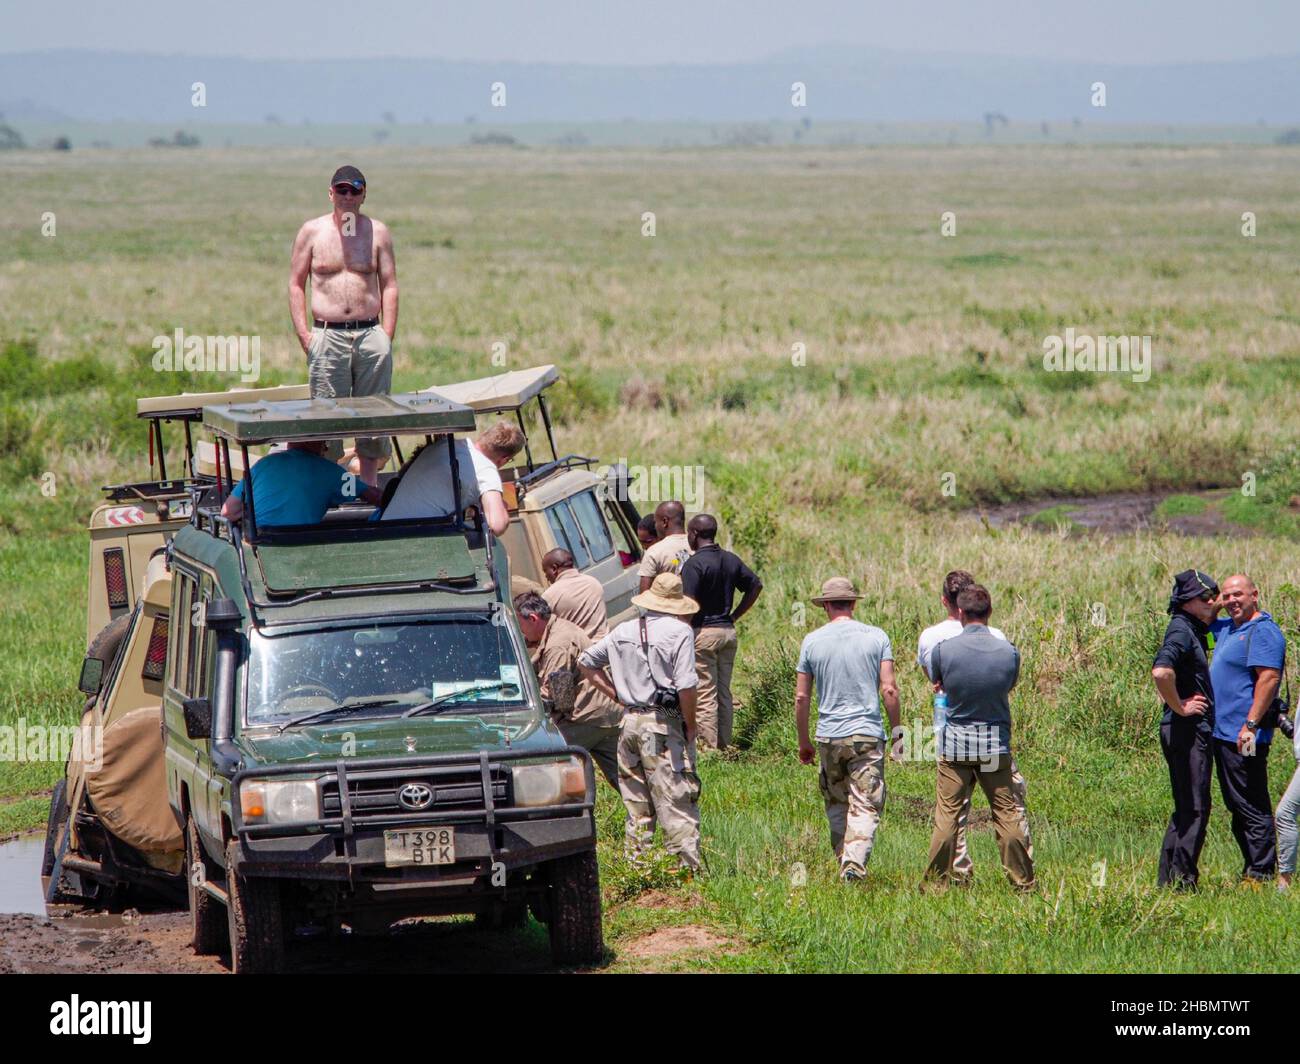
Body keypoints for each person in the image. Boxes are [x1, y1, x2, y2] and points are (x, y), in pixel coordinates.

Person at [578, 573, 702, 872]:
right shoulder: (680, 632)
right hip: (662, 719)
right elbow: (686, 685)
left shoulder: (623, 629)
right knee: (674, 795)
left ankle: (638, 867)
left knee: (636, 802)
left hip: (629, 721)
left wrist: (618, 696)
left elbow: (586, 661)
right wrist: (690, 724)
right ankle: (687, 869)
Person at [289, 165, 398, 485]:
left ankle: (369, 486)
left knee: (374, 412)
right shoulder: (311, 231)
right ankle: (329, 488)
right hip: (327, 333)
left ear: (364, 195)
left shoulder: (378, 232)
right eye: (342, 190)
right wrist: (305, 336)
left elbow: (389, 284)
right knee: (326, 415)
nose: (348, 196)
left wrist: (386, 336)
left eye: (355, 190)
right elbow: (296, 284)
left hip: (370, 333)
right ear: (330, 193)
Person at [916, 570, 1029, 878]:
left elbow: (938, 681)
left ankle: (938, 882)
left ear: (960, 613)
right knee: (1007, 815)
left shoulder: (942, 650)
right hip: (994, 743)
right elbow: (1008, 685)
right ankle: (1022, 882)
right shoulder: (1009, 652)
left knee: (947, 817)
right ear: (989, 611)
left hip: (955, 744)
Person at [795, 577, 900, 882]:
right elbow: (889, 689)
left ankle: (845, 858)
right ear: (853, 604)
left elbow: (802, 696)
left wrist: (804, 741)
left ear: (825, 606)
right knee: (866, 801)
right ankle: (853, 863)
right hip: (867, 733)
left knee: (837, 801)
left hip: (829, 735)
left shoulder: (812, 641)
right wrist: (898, 735)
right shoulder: (877, 637)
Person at [1209, 574, 1283, 882]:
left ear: (1255, 595)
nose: (1232, 601)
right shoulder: (1228, 628)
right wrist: (1216, 604)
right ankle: (1251, 868)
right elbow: (1203, 627)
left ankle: (1262, 872)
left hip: (1246, 734)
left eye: (1238, 595)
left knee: (1251, 802)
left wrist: (1250, 725)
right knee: (1236, 803)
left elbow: (1269, 679)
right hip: (1223, 732)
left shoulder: (1262, 632)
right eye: (1226, 596)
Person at [1151, 569, 1218, 889]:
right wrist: (1181, 706)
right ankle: (1183, 881)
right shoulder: (1180, 631)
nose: (1213, 602)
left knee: (1185, 806)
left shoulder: (1190, 625)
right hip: (1187, 730)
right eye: (1206, 598)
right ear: (1187, 602)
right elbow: (1161, 672)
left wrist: (1216, 606)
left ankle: (1168, 880)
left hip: (1181, 730)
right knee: (1195, 807)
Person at [514, 592, 622, 790]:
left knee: (542, 759)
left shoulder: (557, 645)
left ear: (533, 619)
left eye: (521, 626)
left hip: (587, 718)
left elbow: (560, 699)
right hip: (605, 714)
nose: (522, 633)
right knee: (625, 780)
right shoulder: (559, 628)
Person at [679, 514, 762, 751]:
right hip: (727, 632)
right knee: (723, 692)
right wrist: (734, 615)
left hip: (703, 633)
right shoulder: (730, 559)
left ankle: (709, 748)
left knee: (705, 692)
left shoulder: (693, 565)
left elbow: (688, 603)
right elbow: (756, 585)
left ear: (694, 534)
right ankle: (725, 745)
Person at [380, 421, 525, 535]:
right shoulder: (486, 470)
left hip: (382, 530)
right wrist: (503, 510)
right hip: (416, 537)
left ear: (484, 436)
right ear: (504, 459)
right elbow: (497, 525)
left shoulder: (444, 445)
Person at [220, 440, 380, 528]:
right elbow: (370, 495)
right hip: (302, 542)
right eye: (324, 444)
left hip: (262, 542)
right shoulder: (331, 471)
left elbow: (228, 512)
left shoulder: (263, 465)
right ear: (317, 444)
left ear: (290, 443)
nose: (325, 449)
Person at [542, 548, 608, 641]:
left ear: (554, 568)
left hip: (582, 653)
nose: (546, 576)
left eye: (545, 571)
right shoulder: (593, 582)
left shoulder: (549, 596)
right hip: (607, 646)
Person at [637, 500, 692, 591]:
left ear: (665, 521)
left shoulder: (654, 552)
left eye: (655, 522)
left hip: (667, 604)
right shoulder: (698, 545)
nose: (655, 526)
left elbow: (644, 596)